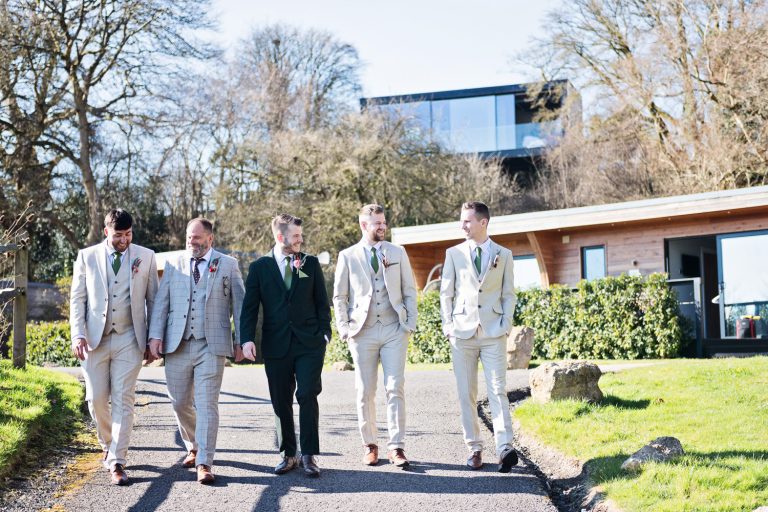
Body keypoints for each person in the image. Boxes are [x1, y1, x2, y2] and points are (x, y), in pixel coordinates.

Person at [147, 217, 244, 484]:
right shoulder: (174, 264)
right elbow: (161, 304)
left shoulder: (228, 264)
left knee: (207, 403)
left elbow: (240, 306)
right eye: (189, 237)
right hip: (177, 343)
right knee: (179, 402)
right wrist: (155, 336)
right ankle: (193, 444)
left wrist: (241, 340)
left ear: (210, 239)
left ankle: (205, 462)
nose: (192, 242)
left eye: (198, 238)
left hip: (212, 344)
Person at [70, 209, 158, 485]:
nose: (124, 240)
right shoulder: (87, 256)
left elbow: (154, 300)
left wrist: (152, 338)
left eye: (128, 234)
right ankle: (107, 442)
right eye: (119, 235)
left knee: (123, 397)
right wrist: (77, 335)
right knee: (96, 399)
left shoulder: (146, 256)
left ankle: (118, 460)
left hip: (130, 337)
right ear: (106, 232)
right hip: (95, 338)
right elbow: (78, 299)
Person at [239, 213, 332, 478]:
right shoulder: (259, 268)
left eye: (301, 236)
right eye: (296, 236)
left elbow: (321, 302)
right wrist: (246, 339)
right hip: (276, 344)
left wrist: (325, 333)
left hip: (309, 343)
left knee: (307, 394)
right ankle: (288, 454)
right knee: (281, 400)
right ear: (281, 237)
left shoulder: (310, 264)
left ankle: (309, 455)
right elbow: (249, 309)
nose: (301, 240)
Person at [332, 204, 417, 468]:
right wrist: (344, 328)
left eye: (383, 222)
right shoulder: (347, 256)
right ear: (363, 225)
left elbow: (409, 289)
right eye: (376, 223)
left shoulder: (397, 252)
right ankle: (370, 444)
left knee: (395, 387)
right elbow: (340, 296)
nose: (382, 227)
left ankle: (397, 446)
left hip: (394, 328)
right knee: (365, 391)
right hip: (363, 330)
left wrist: (410, 322)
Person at [439, 201, 518, 473]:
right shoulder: (453, 253)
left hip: (494, 331)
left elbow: (509, 294)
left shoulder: (504, 254)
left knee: (498, 391)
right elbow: (446, 293)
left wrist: (506, 323)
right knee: (466, 394)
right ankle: (474, 448)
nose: (462, 225)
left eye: (467, 221)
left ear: (483, 222)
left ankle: (504, 447)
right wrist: (448, 326)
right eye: (462, 221)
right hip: (461, 334)